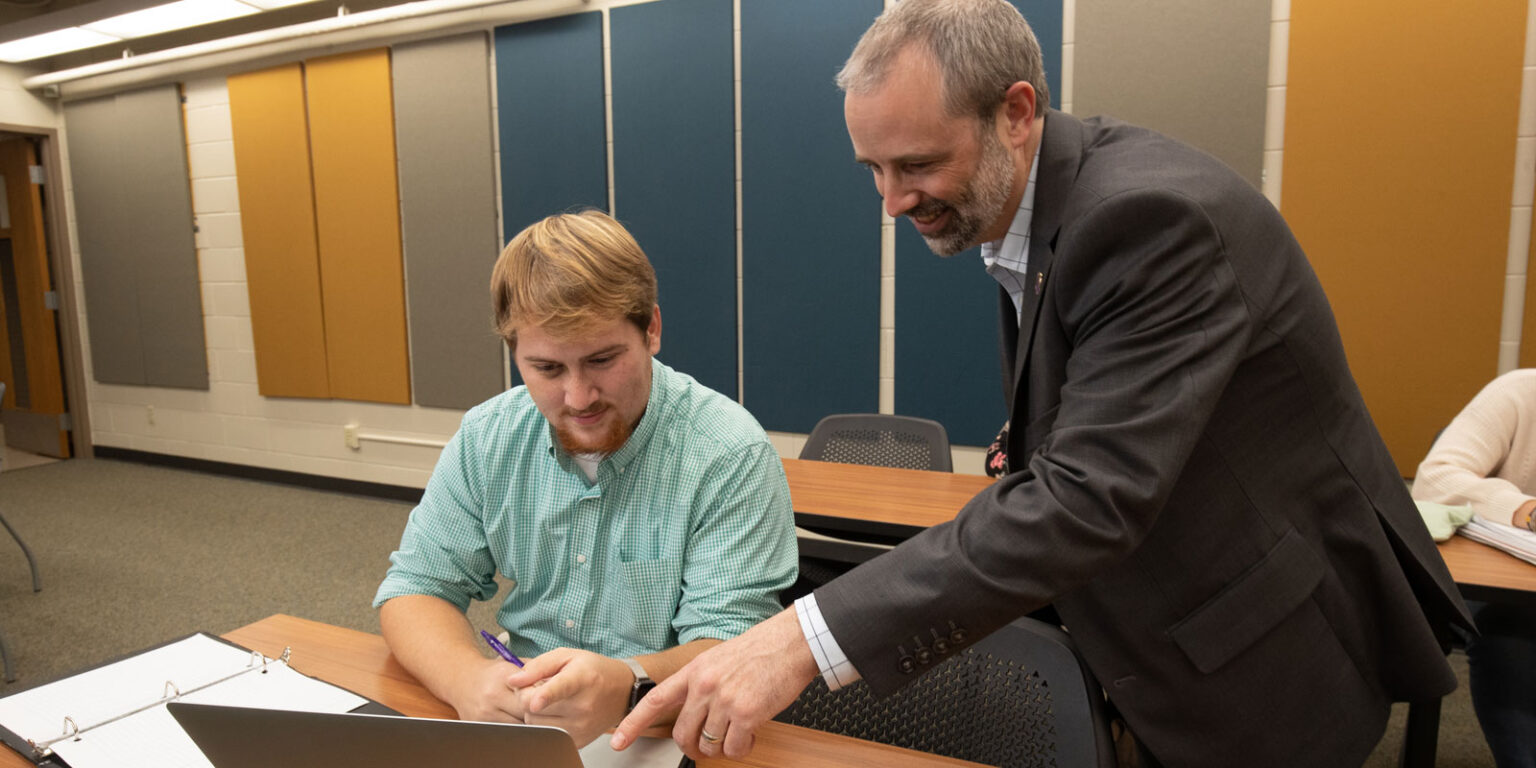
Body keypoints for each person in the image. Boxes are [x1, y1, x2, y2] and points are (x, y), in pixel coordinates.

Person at [613, 1, 1473, 766]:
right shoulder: (1041, 202)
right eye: (872, 170)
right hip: (1163, 615)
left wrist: (801, 641)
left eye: (914, 165)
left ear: (1016, 112)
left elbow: (1087, 500)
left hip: (1256, 644)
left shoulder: (1148, 220)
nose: (892, 201)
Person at [373, 210, 797, 748]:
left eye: (601, 360)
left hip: (667, 734)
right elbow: (415, 589)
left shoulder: (728, 453)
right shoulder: (488, 437)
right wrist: (467, 678)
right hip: (529, 721)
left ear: (652, 330)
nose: (578, 398)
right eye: (547, 369)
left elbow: (732, 651)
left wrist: (625, 683)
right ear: (515, 354)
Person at [1413, 369, 1536, 768]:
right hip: (1507, 590)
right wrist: (1524, 510)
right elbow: (1435, 479)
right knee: (1509, 634)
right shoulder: (1520, 393)